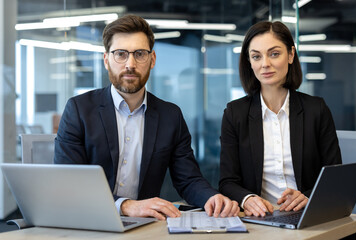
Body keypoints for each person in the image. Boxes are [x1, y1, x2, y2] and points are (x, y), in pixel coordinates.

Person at [54, 14, 239, 220]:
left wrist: (211, 198)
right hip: (90, 222)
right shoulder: (79, 110)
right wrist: (125, 206)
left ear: (152, 60)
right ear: (106, 60)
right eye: (120, 54)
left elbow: (188, 179)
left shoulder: (171, 116)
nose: (130, 64)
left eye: (140, 54)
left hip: (145, 227)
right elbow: (70, 184)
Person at [219, 21, 341, 218]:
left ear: (291, 55)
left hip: (309, 215)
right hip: (261, 219)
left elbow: (335, 177)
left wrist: (308, 197)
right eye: (256, 56)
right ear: (249, 62)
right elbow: (227, 181)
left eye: (274, 54)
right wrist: (248, 198)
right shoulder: (235, 113)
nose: (265, 63)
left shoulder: (316, 109)